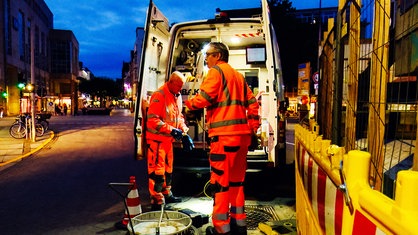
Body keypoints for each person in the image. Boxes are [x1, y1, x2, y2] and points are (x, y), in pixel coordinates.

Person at [184, 42, 260, 235]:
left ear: (218, 55)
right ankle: (239, 223)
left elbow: (205, 98)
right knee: (237, 183)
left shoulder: (216, 72)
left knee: (221, 184)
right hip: (242, 139)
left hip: (224, 139)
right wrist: (253, 129)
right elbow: (253, 105)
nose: (207, 59)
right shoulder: (238, 76)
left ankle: (221, 228)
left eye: (208, 55)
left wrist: (189, 104)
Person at [146, 71, 191, 211]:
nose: (179, 89)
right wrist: (171, 130)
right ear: (170, 82)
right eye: (178, 86)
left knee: (168, 170)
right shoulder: (159, 95)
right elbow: (152, 120)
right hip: (157, 141)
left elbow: (179, 117)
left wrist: (184, 131)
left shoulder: (176, 96)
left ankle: (166, 193)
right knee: (157, 172)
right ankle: (156, 200)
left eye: (181, 86)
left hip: (167, 141)